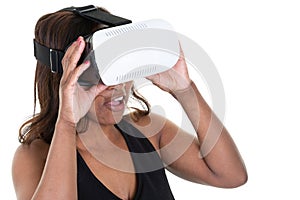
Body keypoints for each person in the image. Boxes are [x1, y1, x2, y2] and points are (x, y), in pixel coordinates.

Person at [12, 5, 247, 200]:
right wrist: (66, 121)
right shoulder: (34, 156)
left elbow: (231, 175)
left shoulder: (149, 132)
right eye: (98, 73)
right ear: (64, 79)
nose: (116, 87)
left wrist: (185, 90)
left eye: (120, 69)